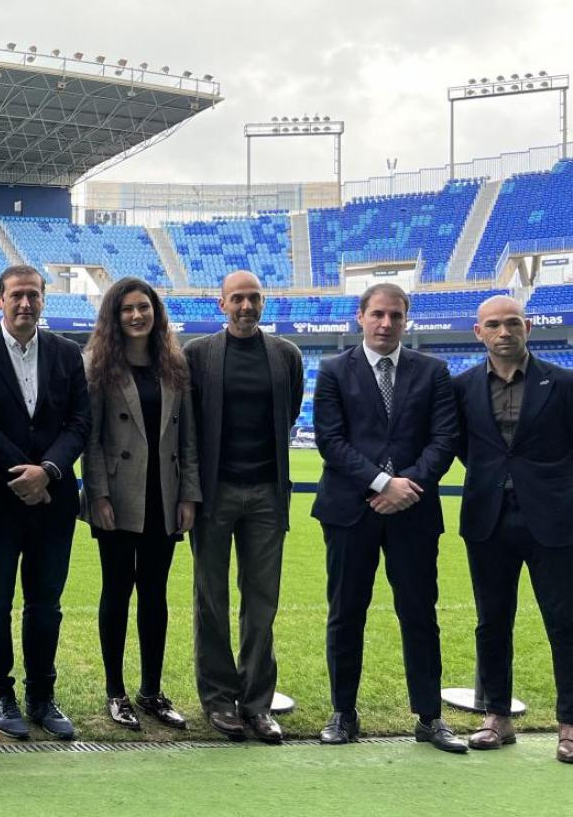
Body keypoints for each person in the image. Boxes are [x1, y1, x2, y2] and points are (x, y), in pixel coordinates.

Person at [312, 282, 463, 754]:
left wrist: (407, 487)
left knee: (419, 614)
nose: (386, 324)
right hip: (350, 511)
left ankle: (429, 717)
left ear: (406, 319)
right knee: (345, 614)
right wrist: (382, 483)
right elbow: (330, 441)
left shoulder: (433, 371)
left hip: (413, 513)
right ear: (360, 316)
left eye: (395, 316)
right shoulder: (334, 369)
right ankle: (343, 712)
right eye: (378, 314)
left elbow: (445, 439)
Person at [0, 265, 90, 741]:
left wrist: (47, 472)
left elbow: (79, 422)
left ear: (44, 300)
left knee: (46, 603)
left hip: (53, 500)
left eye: (33, 295)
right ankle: (0, 696)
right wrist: (23, 474)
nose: (25, 303)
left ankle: (42, 696)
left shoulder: (68, 353)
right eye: (17, 296)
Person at [183, 271, 304, 743]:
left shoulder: (286, 355)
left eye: (254, 298)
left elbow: (289, 413)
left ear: (263, 303)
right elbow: (189, 428)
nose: (246, 306)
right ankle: (218, 701)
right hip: (215, 494)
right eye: (238, 299)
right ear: (221, 305)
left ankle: (256, 703)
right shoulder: (198, 356)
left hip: (267, 495)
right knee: (210, 601)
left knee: (261, 604)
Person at [452, 295, 573, 762]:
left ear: (528, 327)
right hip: (489, 519)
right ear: (479, 332)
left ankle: (568, 724)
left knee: (564, 623)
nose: (504, 332)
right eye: (494, 325)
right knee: (492, 623)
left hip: (554, 520)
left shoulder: (561, 383)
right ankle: (496, 718)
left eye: (512, 324)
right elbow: (464, 446)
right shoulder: (462, 387)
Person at [80, 277, 200, 731]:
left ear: (155, 313)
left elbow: (187, 438)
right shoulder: (96, 364)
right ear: (115, 315)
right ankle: (116, 691)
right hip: (117, 495)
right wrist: (99, 496)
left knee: (155, 594)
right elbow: (90, 440)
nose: (136, 315)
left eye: (143, 308)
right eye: (127, 308)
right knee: (117, 590)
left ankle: (151, 690)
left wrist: (189, 494)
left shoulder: (174, 362)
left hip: (163, 495)